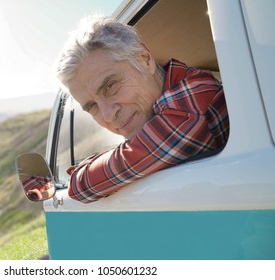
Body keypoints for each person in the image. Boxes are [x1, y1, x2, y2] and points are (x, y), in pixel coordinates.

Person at [55, 15, 229, 203]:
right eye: (92, 107)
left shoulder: (189, 105)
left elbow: (82, 187)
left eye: (110, 86)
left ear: (145, 60)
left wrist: (80, 173)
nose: (108, 114)